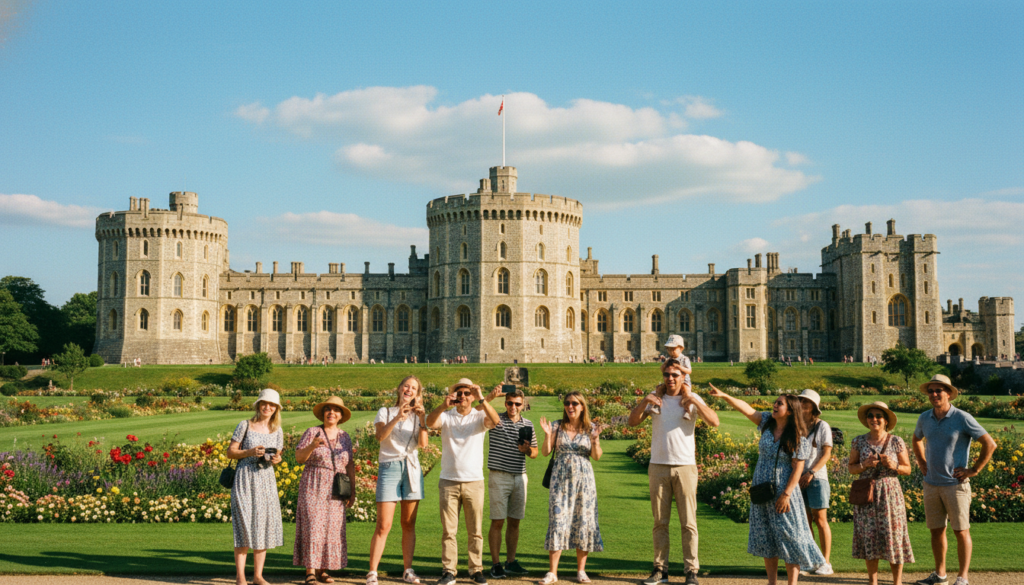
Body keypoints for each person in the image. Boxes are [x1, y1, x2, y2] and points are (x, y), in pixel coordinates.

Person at [707, 386, 824, 585]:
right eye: (775, 402)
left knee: (791, 538)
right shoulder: (766, 424)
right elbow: (747, 409)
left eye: (780, 403)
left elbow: (798, 469)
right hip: (762, 490)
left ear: (790, 410)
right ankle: (771, 582)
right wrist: (726, 396)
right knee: (766, 537)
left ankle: (792, 583)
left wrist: (786, 494)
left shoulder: (798, 436)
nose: (775, 405)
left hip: (784, 492)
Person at [629, 359, 719, 585]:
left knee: (688, 522)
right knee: (660, 522)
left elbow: (714, 421)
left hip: (685, 466)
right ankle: (660, 570)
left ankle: (691, 571)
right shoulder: (656, 399)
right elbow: (632, 422)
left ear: (683, 377)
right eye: (667, 374)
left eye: (675, 375)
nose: (670, 378)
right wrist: (643, 402)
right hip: (658, 465)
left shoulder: (692, 399)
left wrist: (695, 402)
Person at [912, 375, 997, 585]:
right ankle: (940, 575)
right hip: (931, 484)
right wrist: (922, 461)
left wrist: (974, 470)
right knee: (936, 531)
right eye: (930, 391)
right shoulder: (924, 417)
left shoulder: (962, 417)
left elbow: (990, 444)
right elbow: (916, 439)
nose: (934, 395)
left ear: (948, 393)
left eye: (938, 391)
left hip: (955, 485)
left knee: (961, 531)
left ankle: (963, 578)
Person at [426, 378, 502, 585]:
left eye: (467, 393)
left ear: (472, 395)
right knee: (449, 531)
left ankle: (476, 569)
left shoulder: (479, 416)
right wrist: (443, 405)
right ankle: (449, 570)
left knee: (475, 530)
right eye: (459, 392)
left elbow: (495, 422)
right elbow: (429, 423)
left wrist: (483, 399)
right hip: (449, 480)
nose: (463, 396)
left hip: (473, 480)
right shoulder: (447, 416)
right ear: (454, 395)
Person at [367, 376, 431, 585]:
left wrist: (422, 420)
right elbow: (380, 437)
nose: (409, 390)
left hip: (411, 468)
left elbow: (423, 444)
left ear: (417, 394)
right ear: (399, 388)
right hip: (390, 466)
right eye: (406, 386)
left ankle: (408, 570)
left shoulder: (418, 415)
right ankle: (373, 572)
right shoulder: (385, 412)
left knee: (408, 523)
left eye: (413, 388)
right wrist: (397, 418)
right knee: (384, 524)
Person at [537, 391, 605, 585]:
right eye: (567, 403)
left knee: (584, 521)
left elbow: (597, 456)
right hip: (560, 482)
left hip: (584, 482)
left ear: (582, 406)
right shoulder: (557, 426)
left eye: (575, 403)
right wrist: (547, 435)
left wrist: (595, 440)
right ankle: (552, 572)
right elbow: (545, 452)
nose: (570, 407)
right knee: (557, 521)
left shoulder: (590, 428)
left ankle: (581, 571)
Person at [850, 401, 914, 585]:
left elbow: (908, 469)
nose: (874, 419)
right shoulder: (858, 441)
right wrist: (865, 465)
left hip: (890, 493)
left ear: (886, 421)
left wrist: (894, 466)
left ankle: (897, 582)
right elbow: (851, 468)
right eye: (870, 416)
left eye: (879, 416)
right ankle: (873, 581)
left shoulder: (896, 441)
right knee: (869, 536)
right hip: (867, 495)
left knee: (893, 536)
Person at [294, 396, 356, 584]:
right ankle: (310, 570)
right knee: (313, 525)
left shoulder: (345, 436)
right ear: (323, 414)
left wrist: (352, 490)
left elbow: (350, 464)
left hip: (337, 486)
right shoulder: (313, 432)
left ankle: (323, 569)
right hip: (314, 484)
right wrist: (312, 445)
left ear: (340, 415)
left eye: (336, 410)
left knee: (331, 527)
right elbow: (299, 458)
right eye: (328, 409)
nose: (331, 413)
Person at [227, 389, 285, 585]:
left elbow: (278, 455)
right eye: (264, 403)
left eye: (271, 405)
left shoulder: (277, 430)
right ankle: (240, 577)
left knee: (262, 526)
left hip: (266, 479)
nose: (267, 407)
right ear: (258, 405)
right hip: (244, 477)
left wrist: (276, 458)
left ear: (276, 408)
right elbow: (231, 452)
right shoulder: (245, 425)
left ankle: (258, 576)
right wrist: (249, 452)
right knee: (243, 524)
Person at [486, 388, 539, 579]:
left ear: (523, 404)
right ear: (505, 403)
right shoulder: (496, 420)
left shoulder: (528, 424)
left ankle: (510, 561)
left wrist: (526, 450)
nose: (513, 407)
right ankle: (496, 563)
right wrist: (490, 395)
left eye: (517, 404)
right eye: (510, 403)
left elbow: (535, 453)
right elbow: (482, 407)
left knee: (515, 521)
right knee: (498, 520)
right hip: (499, 475)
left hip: (519, 476)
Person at [795, 390, 833, 576]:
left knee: (820, 519)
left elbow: (826, 453)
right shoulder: (796, 425)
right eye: (801, 400)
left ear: (814, 407)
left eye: (806, 402)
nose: (802, 403)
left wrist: (811, 472)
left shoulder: (822, 426)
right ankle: (810, 560)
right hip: (798, 478)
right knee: (805, 521)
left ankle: (826, 561)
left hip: (816, 478)